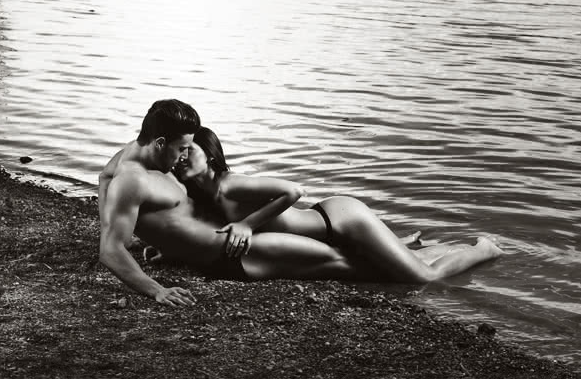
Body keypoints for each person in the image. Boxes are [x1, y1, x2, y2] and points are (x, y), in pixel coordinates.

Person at [99, 99, 422, 307]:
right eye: (182, 149)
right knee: (362, 267)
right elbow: (110, 248)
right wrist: (156, 289)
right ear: (159, 143)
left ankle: (419, 256)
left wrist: (167, 242)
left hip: (240, 244)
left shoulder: (134, 154)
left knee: (371, 265)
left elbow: (104, 177)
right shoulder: (133, 179)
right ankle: (450, 256)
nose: (185, 156)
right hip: (238, 253)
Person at [164, 126, 503, 283]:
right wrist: (166, 249)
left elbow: (294, 191)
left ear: (210, 154)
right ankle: (417, 244)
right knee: (395, 268)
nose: (180, 158)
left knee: (422, 278)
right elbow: (204, 230)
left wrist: (248, 224)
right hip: (329, 234)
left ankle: (484, 249)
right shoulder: (205, 195)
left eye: (188, 151)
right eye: (178, 152)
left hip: (340, 220)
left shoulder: (230, 183)